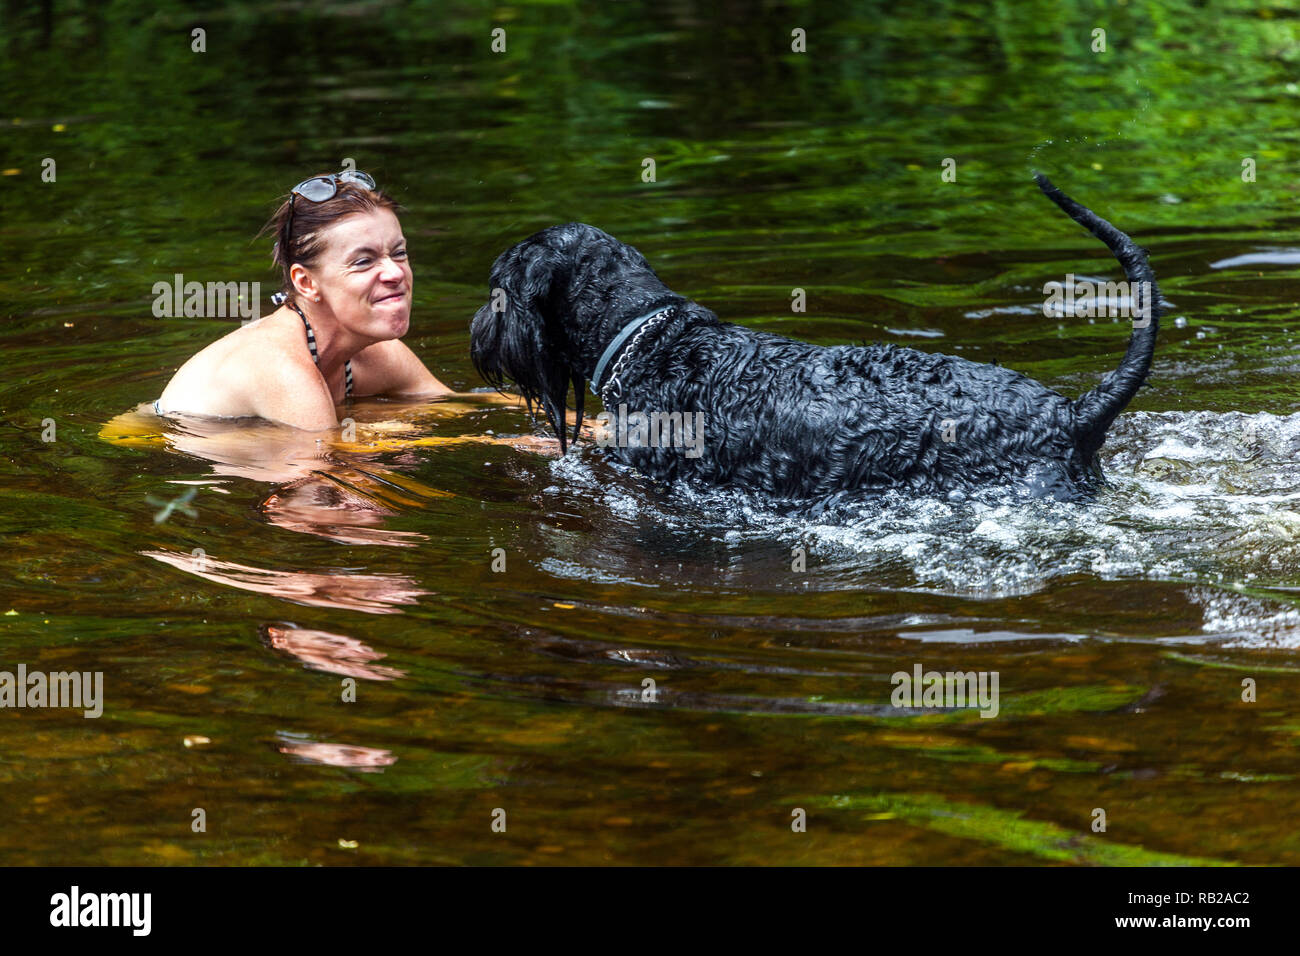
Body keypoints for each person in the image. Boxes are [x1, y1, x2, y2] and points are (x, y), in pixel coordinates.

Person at [154, 170, 455, 429]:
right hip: (162, 447)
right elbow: (327, 473)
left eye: (399, 253)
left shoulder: (374, 354)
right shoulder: (281, 367)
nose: (395, 273)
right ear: (306, 282)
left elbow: (461, 409)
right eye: (364, 261)